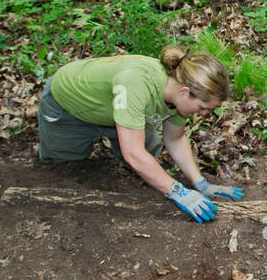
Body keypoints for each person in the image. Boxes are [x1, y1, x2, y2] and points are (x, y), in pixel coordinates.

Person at [36, 45, 243, 222]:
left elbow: (175, 138)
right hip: (70, 107)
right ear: (184, 92)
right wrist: (179, 192)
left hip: (119, 111)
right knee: (65, 166)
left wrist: (200, 183)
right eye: (202, 108)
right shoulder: (136, 82)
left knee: (149, 156)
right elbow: (134, 153)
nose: (204, 114)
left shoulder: (178, 98)